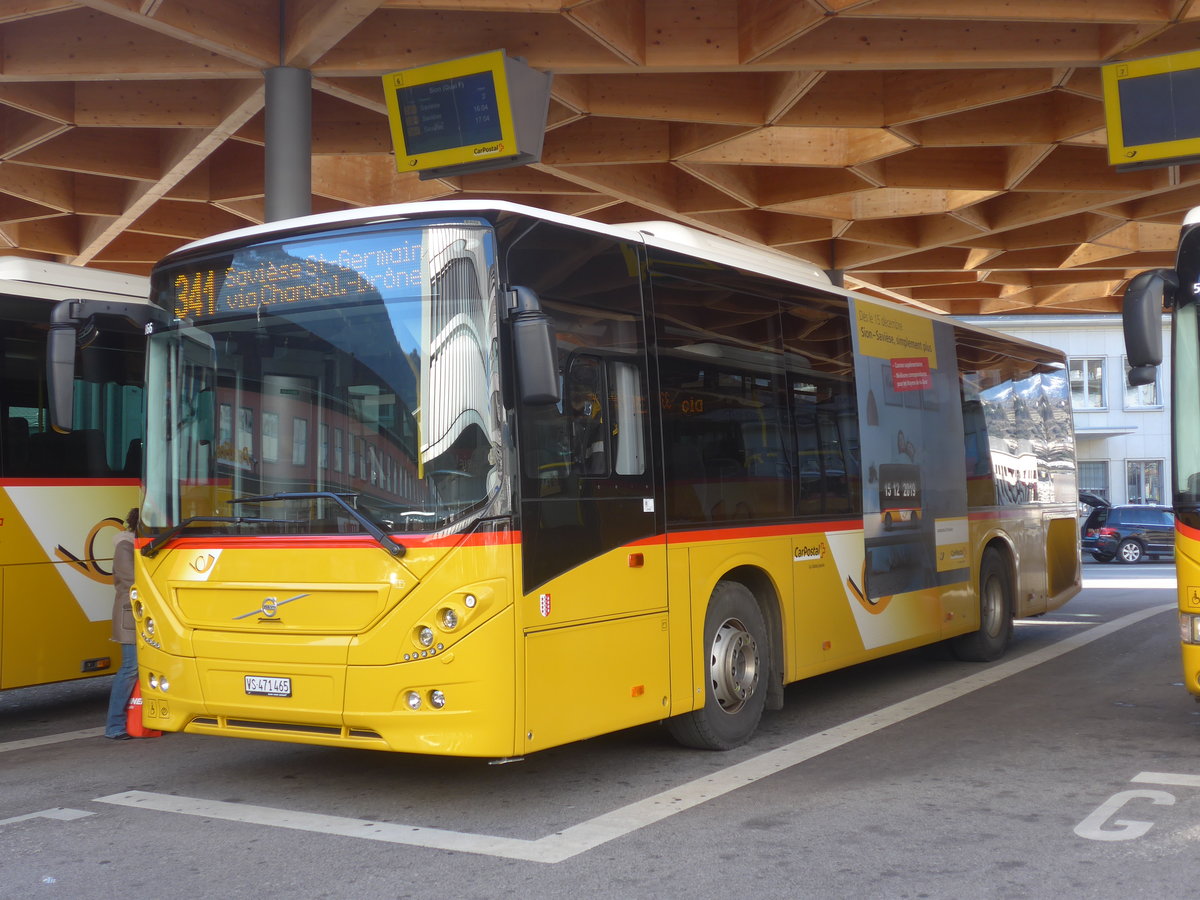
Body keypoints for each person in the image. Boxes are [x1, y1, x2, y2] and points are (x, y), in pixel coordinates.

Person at [104, 508, 138, 740]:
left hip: (140, 617)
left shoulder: (136, 545)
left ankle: (141, 720)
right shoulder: (125, 546)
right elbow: (132, 579)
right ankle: (114, 726)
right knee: (130, 668)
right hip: (130, 617)